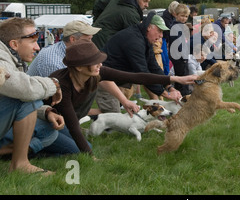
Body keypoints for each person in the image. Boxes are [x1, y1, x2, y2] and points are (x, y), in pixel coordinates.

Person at [45, 40, 197, 156]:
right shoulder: (61, 83)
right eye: (95, 61)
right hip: (46, 122)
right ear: (79, 67)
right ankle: (32, 147)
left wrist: (175, 80)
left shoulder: (97, 73)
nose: (100, 64)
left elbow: (137, 76)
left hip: (64, 125)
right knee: (81, 149)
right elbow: (72, 122)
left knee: (81, 146)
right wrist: (91, 157)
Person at [0, 18, 63, 174]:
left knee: (49, 131)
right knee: (27, 99)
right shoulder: (1, 56)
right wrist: (53, 84)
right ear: (14, 44)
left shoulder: (14, 58)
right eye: (33, 41)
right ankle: (19, 164)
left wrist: (46, 112)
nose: (37, 48)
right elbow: (23, 89)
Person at [99, 13, 185, 112]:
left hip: (117, 78)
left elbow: (154, 67)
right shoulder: (135, 40)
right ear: (149, 27)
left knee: (113, 114)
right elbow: (143, 73)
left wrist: (169, 87)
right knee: (111, 115)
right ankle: (80, 119)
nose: (161, 36)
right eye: (159, 31)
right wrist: (165, 93)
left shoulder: (144, 39)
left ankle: (81, 118)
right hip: (105, 78)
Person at [169, 3, 191, 96]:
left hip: (181, 56)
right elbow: (178, 44)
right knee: (182, 77)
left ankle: (183, 93)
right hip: (179, 57)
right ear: (176, 15)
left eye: (186, 16)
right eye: (182, 16)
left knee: (183, 76)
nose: (184, 18)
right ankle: (183, 95)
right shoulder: (176, 27)